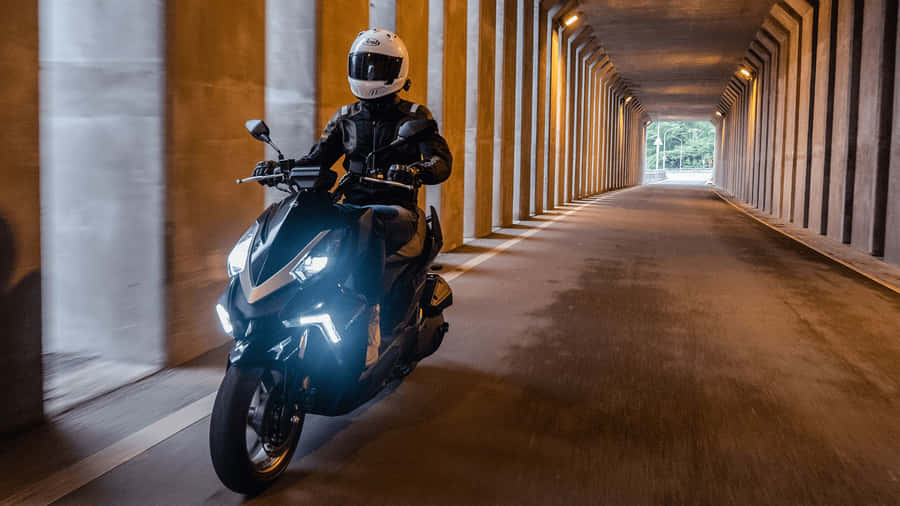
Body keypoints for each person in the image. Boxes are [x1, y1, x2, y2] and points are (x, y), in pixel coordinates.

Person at [253, 28, 452, 369]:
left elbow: (440, 160)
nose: (369, 73)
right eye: (364, 64)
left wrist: (417, 171)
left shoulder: (416, 117)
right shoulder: (346, 117)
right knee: (303, 210)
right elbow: (316, 158)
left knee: (368, 220)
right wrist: (280, 167)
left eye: (378, 66)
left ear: (398, 71)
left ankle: (370, 323)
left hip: (396, 209)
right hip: (349, 207)